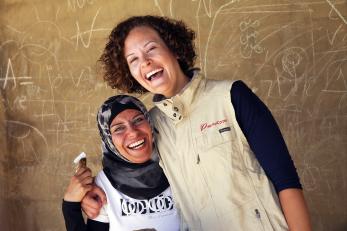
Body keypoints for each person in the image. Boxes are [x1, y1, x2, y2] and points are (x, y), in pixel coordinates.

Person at [82, 16, 312, 230]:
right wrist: (88, 196)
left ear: (174, 48)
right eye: (133, 60)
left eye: (151, 48)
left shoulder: (231, 97)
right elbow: (126, 171)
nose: (145, 62)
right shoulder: (149, 127)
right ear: (129, 73)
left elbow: (286, 180)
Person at [62, 95, 182, 231]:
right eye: (119, 128)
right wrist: (70, 205)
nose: (133, 133)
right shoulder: (103, 187)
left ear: (149, 123)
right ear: (109, 140)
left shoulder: (178, 169)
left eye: (138, 120)